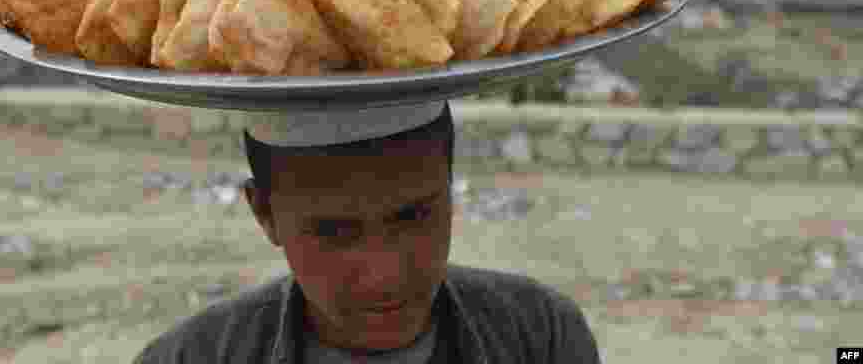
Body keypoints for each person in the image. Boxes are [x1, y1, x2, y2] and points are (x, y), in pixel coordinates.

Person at [133, 100, 601, 363]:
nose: (384, 275)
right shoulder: (190, 358)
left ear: (451, 189)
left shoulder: (540, 337)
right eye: (334, 232)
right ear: (265, 215)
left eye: (413, 217)